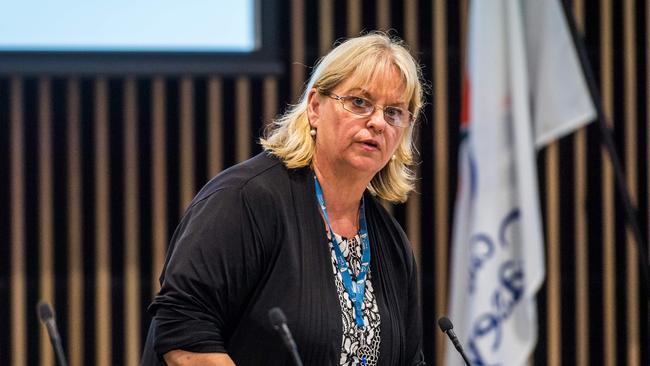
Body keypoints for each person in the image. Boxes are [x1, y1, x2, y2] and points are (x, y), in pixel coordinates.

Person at [140, 32, 427, 366]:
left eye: (393, 112)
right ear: (315, 107)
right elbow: (183, 328)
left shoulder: (389, 242)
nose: (378, 122)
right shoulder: (247, 200)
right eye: (359, 102)